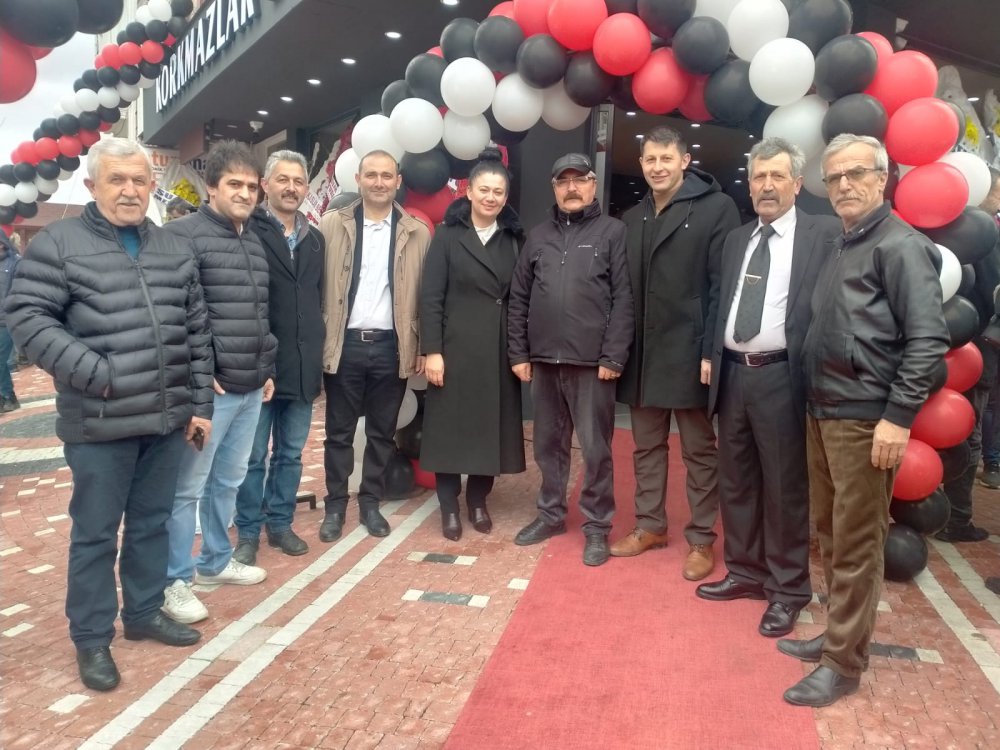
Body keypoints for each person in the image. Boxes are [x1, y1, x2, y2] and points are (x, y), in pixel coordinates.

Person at [4, 138, 213, 691]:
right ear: (92, 185)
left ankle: (142, 613)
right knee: (95, 535)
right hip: (99, 423)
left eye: (139, 180)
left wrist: (200, 405)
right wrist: (98, 373)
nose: (129, 190)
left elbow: (196, 332)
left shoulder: (172, 247)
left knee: (151, 524)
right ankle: (92, 638)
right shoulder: (60, 243)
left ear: (152, 185)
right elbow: (27, 317)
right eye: (116, 180)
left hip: (165, 421)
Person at [778, 134, 949, 708]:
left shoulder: (901, 246)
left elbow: (928, 340)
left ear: (883, 177)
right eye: (835, 177)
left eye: (856, 173)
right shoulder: (843, 242)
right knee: (831, 535)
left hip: (864, 419)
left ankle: (843, 664)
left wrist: (898, 418)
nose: (844, 185)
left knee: (856, 543)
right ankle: (838, 636)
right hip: (823, 411)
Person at [695, 138, 840, 638]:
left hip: (783, 377)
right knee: (736, 481)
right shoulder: (739, 238)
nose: (767, 185)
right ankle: (745, 571)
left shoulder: (823, 234)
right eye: (759, 177)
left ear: (798, 184)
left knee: (783, 487)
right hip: (733, 374)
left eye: (778, 176)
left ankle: (788, 589)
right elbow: (721, 301)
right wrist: (711, 355)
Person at [610, 125, 740, 582]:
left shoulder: (717, 208)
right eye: (650, 159)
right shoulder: (632, 217)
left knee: (700, 451)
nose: (658, 167)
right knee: (646, 446)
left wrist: (711, 351)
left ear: (685, 161)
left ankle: (702, 538)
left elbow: (723, 286)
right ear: (641, 164)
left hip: (691, 351)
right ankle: (650, 525)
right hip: (644, 353)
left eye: (667, 158)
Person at [161, 141, 278, 625]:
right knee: (186, 488)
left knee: (229, 479)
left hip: (251, 386)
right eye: (234, 184)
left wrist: (267, 368)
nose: (245, 193)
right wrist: (201, 375)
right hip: (210, 393)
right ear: (211, 187)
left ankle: (213, 561)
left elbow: (258, 313)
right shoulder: (183, 236)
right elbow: (178, 316)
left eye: (251, 186)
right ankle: (174, 580)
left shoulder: (254, 239)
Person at [508, 152, 633, 567]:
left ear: (593, 185)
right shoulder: (538, 236)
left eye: (580, 180)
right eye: (564, 181)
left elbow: (624, 299)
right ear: (554, 188)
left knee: (595, 449)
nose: (572, 188)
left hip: (592, 364)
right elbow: (519, 298)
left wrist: (614, 355)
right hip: (544, 361)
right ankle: (551, 515)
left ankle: (597, 526)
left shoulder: (613, 232)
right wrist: (518, 352)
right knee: (548, 446)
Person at [318, 150, 430, 541]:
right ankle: (335, 507)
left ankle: (370, 503)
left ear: (398, 181)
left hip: (391, 346)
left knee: (382, 433)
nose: (379, 182)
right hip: (344, 343)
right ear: (359, 179)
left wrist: (422, 344)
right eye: (371, 175)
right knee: (339, 433)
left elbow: (426, 295)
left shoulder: (417, 232)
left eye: (386, 175)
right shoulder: (332, 225)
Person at [419, 149, 526, 541]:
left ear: (506, 197)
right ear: (469, 191)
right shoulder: (448, 235)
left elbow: (522, 298)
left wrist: (520, 351)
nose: (490, 197)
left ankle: (478, 501)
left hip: (497, 349)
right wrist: (433, 351)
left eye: (498, 191)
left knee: (489, 430)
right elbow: (431, 296)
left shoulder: (513, 239)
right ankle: (449, 506)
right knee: (449, 430)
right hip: (454, 349)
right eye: (484, 189)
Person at [232, 150, 325, 565]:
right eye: (282, 180)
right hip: (257, 368)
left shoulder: (315, 239)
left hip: (302, 367)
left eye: (298, 181)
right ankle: (248, 532)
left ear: (306, 188)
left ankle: (281, 524)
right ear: (265, 185)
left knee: (290, 455)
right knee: (252, 457)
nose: (291, 188)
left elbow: (317, 300)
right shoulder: (245, 232)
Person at [937, 167, 1000, 541]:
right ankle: (957, 518)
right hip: (973, 349)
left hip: (947, 345)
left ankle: (934, 510)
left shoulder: (948, 231)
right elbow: (992, 292)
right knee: (966, 428)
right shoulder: (986, 235)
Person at [0, 229, 20, 413]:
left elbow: (20, 291)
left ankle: (6, 396)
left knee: (2, 360)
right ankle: (8, 395)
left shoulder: (15, 262)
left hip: (7, 320)